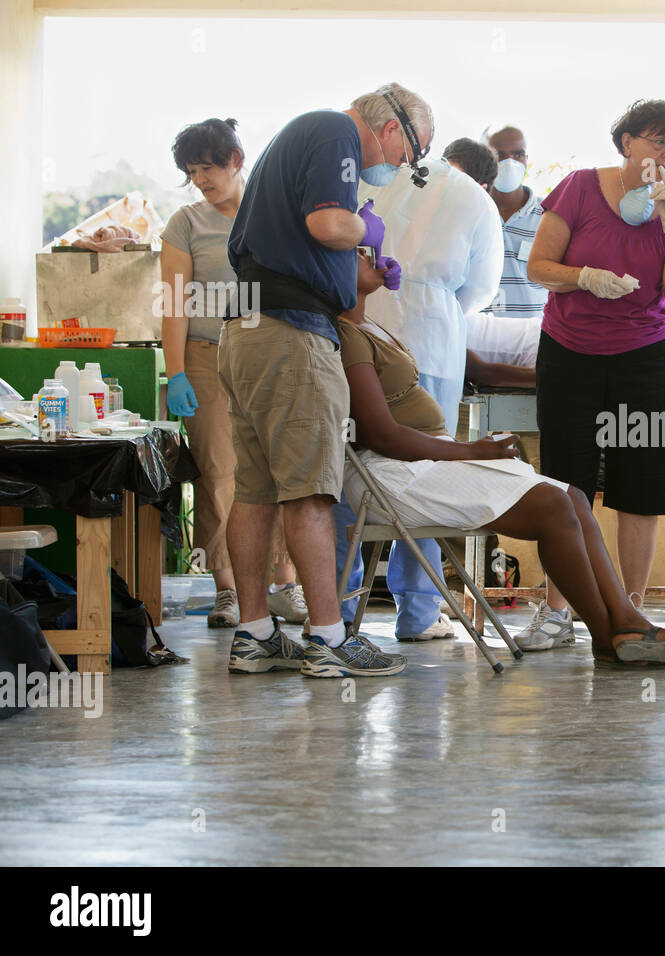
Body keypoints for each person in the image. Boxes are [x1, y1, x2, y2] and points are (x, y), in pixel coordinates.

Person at [341, 247, 665, 667]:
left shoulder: (369, 325)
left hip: (421, 463)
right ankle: (610, 636)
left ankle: (624, 622)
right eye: (357, 253)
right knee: (552, 505)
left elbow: (471, 376)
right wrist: (471, 451)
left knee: (571, 495)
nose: (373, 257)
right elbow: (380, 435)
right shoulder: (347, 335)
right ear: (329, 267)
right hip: (391, 475)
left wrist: (471, 452)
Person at [221, 81, 431, 678]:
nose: (397, 167)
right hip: (291, 336)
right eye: (406, 157)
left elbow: (306, 246)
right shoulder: (333, 129)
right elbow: (328, 225)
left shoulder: (300, 140)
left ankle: (256, 633)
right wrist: (367, 231)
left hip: (249, 329)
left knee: (256, 490)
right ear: (391, 128)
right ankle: (328, 636)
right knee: (311, 489)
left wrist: (361, 270)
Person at [523, 99, 665, 650]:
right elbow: (538, 268)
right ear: (626, 142)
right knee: (567, 484)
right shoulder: (579, 188)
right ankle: (557, 612)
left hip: (644, 355)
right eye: (655, 140)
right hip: (570, 351)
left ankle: (633, 614)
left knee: (641, 481)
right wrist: (583, 277)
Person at [331, 150, 506, 641]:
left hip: (355, 326)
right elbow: (479, 290)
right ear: (487, 179)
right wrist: (432, 301)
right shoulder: (476, 199)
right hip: (426, 342)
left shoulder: (377, 179)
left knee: (351, 468)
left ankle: (337, 608)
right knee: (422, 476)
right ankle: (419, 612)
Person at [159, 118, 308, 628]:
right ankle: (227, 590)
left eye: (208, 167)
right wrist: (175, 372)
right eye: (191, 170)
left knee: (282, 469)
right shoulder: (186, 223)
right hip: (205, 356)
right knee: (219, 473)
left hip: (268, 354)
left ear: (236, 162)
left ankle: (286, 584)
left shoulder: (272, 215)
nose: (200, 179)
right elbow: (175, 305)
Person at [464, 310, 665, 404]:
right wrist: (561, 375)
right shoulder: (434, 335)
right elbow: (483, 373)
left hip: (568, 338)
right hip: (567, 352)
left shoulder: (444, 312)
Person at [485, 126, 549, 319]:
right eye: (500, 155)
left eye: (518, 154)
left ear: (526, 160)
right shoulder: (472, 211)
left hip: (533, 336)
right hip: (478, 335)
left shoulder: (550, 215)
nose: (509, 163)